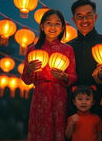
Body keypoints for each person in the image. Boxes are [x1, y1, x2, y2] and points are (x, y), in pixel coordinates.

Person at [21, 9, 77, 141]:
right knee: (40, 128)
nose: (53, 27)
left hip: (60, 96)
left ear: (63, 27)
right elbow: (26, 79)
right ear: (42, 26)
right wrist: (29, 70)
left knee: (58, 128)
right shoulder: (33, 49)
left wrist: (64, 77)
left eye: (57, 24)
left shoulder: (67, 49)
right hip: (40, 95)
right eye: (49, 23)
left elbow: (73, 76)